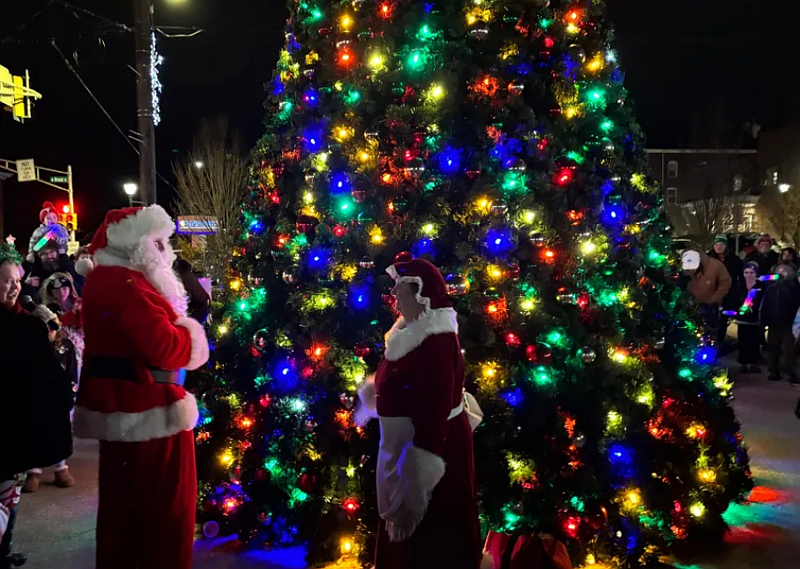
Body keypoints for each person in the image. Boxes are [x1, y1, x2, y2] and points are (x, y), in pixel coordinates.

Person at [73, 205, 209, 569]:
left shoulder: (108, 279)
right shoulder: (127, 284)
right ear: (138, 244)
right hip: (151, 414)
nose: (166, 251)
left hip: (126, 412)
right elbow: (166, 347)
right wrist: (192, 334)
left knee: (124, 518)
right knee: (163, 519)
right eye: (159, 242)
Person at [356, 257, 482, 569]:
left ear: (421, 296)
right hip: (405, 445)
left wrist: (415, 485)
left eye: (401, 291)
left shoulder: (436, 343)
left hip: (432, 451)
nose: (395, 297)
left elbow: (433, 412)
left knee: (428, 539)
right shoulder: (408, 332)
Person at [0, 243, 74, 569]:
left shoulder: (28, 321)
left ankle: (3, 549)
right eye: (6, 280)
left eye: (16, 280)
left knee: (9, 494)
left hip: (16, 427)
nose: (14, 286)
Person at [22, 306, 77, 492]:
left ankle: (61, 468)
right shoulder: (30, 347)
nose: (51, 331)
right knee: (35, 432)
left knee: (60, 432)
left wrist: (71, 389)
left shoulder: (66, 345)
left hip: (58, 398)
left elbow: (71, 369)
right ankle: (34, 470)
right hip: (36, 398)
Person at [759, 263, 800, 383]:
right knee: (773, 348)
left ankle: (791, 372)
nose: (781, 275)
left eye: (784, 272)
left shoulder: (794, 289)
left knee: (789, 350)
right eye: (779, 272)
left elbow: (795, 305)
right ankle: (773, 370)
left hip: (788, 324)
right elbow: (766, 305)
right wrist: (764, 321)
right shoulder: (771, 288)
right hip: (773, 323)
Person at [40, 272, 84, 375]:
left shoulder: (79, 305)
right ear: (51, 291)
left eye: (65, 288)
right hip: (59, 353)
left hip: (80, 351)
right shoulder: (46, 310)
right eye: (56, 289)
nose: (61, 292)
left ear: (70, 288)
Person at [682, 250, 732, 338]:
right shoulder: (683, 264)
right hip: (689, 307)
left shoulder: (715, 265)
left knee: (710, 335)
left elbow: (725, 282)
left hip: (710, 307)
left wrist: (713, 299)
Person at [707, 236, 743, 347]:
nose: (718, 247)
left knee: (723, 317)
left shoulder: (734, 259)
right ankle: (710, 339)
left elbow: (739, 275)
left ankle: (720, 340)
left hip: (728, 292)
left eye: (721, 245)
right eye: (716, 245)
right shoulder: (708, 258)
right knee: (711, 316)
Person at [734, 262, 765, 373]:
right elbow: (735, 300)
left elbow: (764, 301)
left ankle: (753, 363)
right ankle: (743, 363)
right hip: (742, 319)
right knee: (742, 341)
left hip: (755, 319)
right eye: (746, 272)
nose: (749, 275)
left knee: (754, 341)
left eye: (752, 272)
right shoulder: (740, 286)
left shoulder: (761, 286)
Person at [174, 258, 210, 324]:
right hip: (199, 305)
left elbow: (185, 295)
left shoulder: (185, 278)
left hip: (199, 308)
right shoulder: (187, 275)